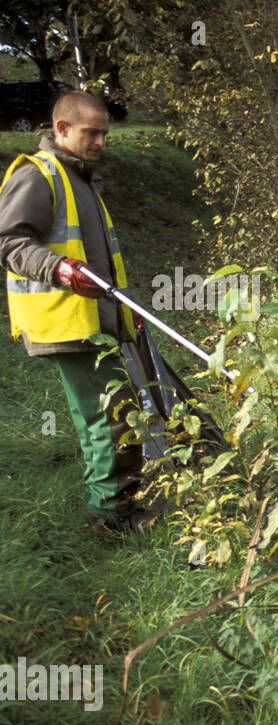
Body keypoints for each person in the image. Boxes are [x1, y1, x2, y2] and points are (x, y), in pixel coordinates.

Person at [0, 89, 159, 535]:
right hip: (64, 322)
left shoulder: (83, 180)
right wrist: (60, 270)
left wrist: (126, 313)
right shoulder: (38, 175)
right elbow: (8, 243)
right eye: (91, 133)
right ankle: (110, 517)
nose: (100, 142)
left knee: (108, 413)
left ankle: (116, 505)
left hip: (94, 322)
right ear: (62, 129)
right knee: (110, 417)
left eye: (104, 134)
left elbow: (101, 263)